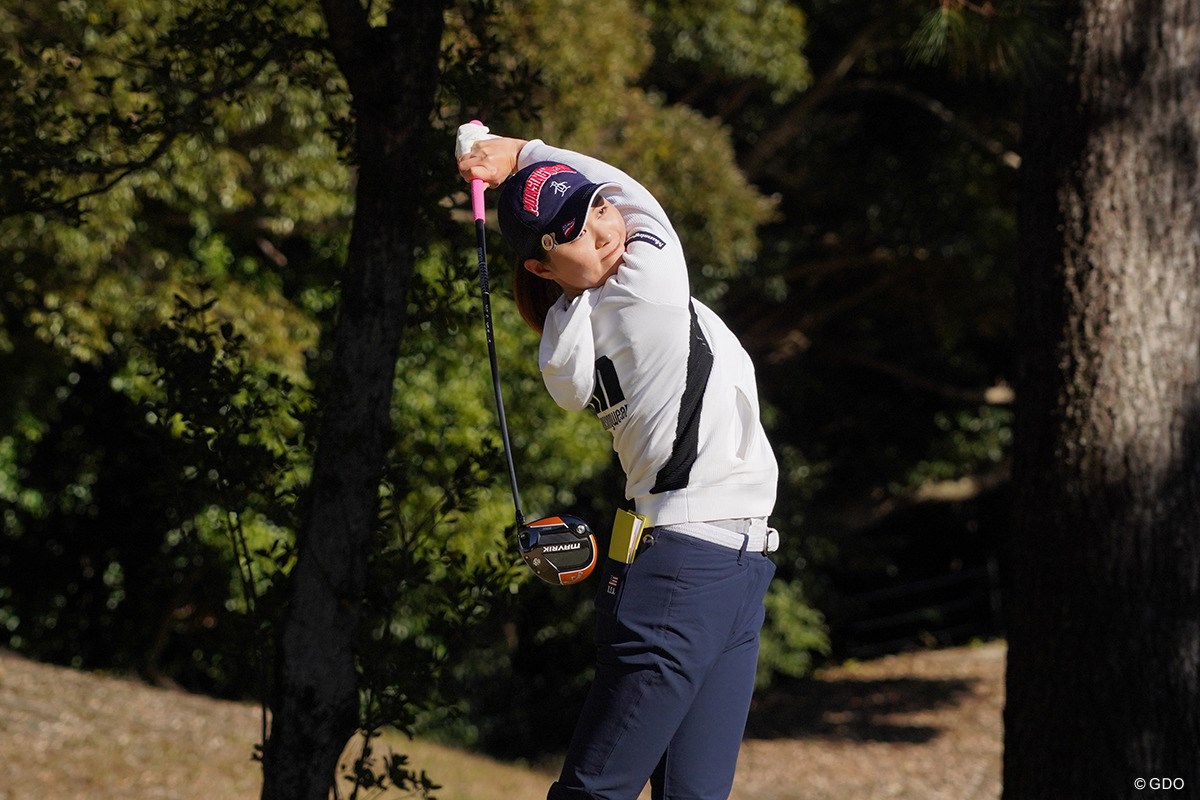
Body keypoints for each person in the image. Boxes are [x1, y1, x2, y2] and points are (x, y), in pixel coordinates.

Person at [457, 128, 780, 800]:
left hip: (725, 571)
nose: (604, 230)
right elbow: (641, 199)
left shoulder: (591, 314)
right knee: (596, 792)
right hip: (688, 571)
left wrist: (524, 165)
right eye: (571, 231)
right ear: (541, 267)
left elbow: (623, 202)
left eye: (597, 208)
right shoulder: (641, 291)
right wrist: (522, 153)